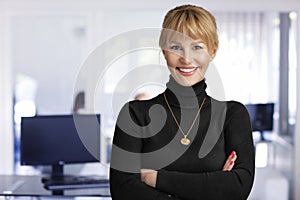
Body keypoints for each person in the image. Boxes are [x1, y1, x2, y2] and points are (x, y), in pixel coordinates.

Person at [110, 4, 255, 200]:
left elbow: (238, 188)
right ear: (164, 51)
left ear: (212, 51)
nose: (186, 59)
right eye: (176, 47)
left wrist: (154, 178)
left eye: (197, 47)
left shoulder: (232, 115)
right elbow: (123, 192)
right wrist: (213, 186)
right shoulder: (135, 115)